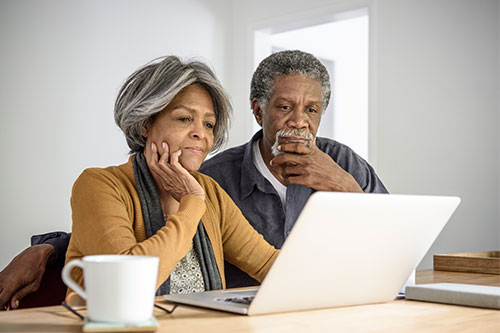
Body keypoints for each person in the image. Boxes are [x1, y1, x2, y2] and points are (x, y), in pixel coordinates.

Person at [0, 50, 387, 309]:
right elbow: (125, 281)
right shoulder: (104, 184)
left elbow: (274, 267)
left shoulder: (211, 193)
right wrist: (191, 203)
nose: (202, 134)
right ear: (146, 122)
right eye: (185, 119)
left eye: (209, 123)